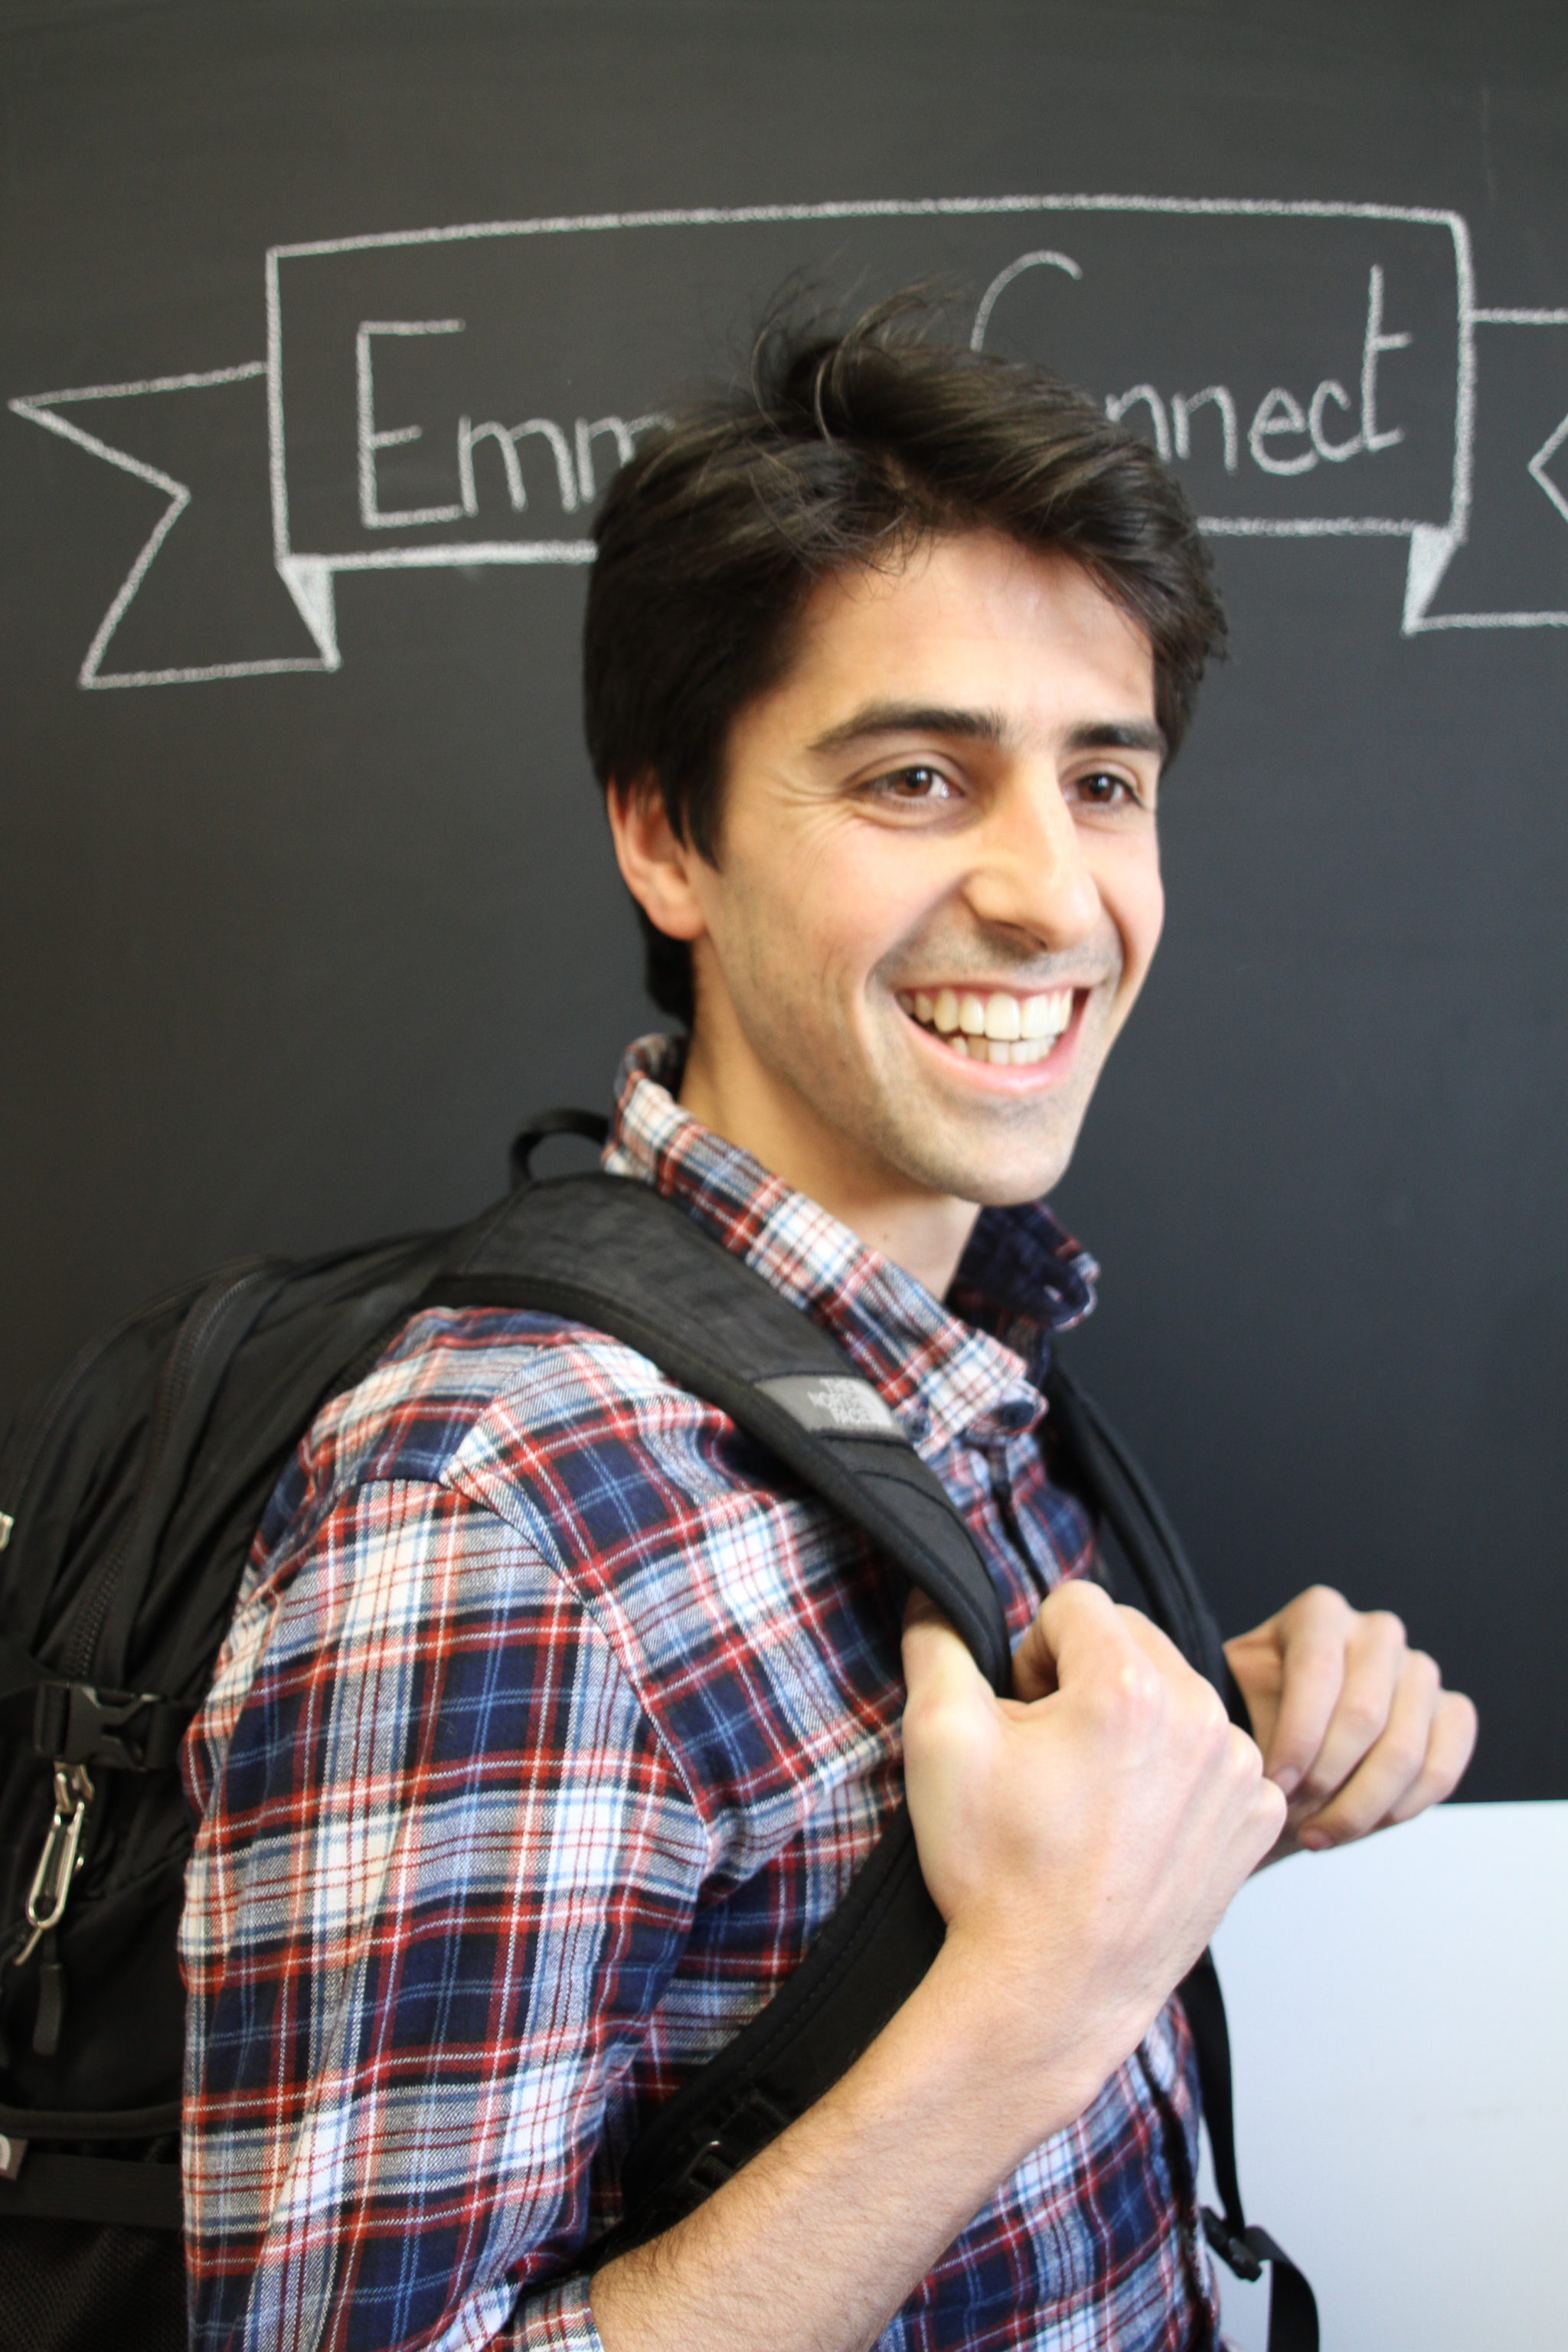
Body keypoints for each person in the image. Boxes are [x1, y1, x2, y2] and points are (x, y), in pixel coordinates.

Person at [178, 302, 1476, 2352]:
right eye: (915, 777)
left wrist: (1206, 1762)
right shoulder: (503, 1519)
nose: (1051, 896)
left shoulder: (959, 1363)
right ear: (665, 835)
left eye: (1105, 779)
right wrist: (1035, 2001)